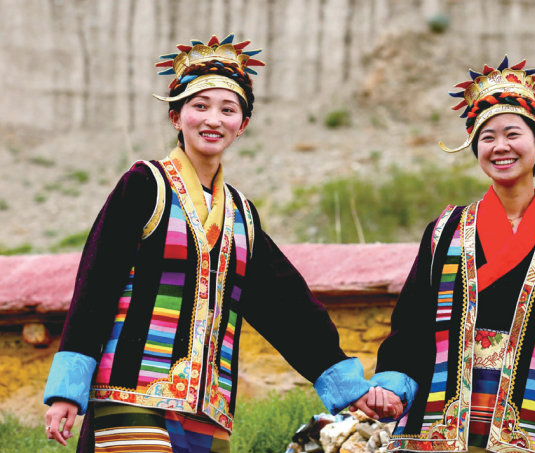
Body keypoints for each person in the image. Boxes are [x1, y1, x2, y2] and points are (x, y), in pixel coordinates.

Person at [42, 34, 399, 452]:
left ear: (241, 125)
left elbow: (286, 306)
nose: (213, 119)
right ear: (176, 117)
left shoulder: (241, 214)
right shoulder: (144, 186)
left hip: (208, 408)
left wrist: (346, 384)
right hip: (131, 392)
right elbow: (96, 286)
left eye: (228, 110)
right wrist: (68, 389)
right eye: (200, 106)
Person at [365, 57, 535, 453]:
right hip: (437, 425)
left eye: (512, 134)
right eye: (487, 137)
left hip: (525, 429)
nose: (500, 146)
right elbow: (412, 322)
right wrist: (392, 384)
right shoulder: (446, 230)